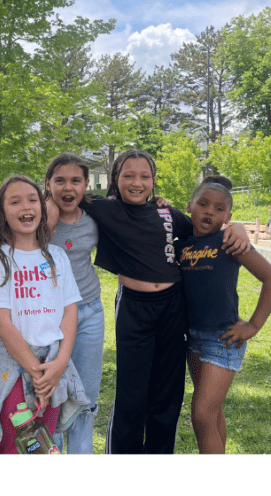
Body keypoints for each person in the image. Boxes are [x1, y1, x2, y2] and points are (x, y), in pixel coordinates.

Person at [78, 149, 250, 454]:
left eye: (145, 176)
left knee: (168, 393)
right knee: (132, 394)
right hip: (134, 308)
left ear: (154, 181)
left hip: (173, 308)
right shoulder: (105, 209)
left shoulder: (167, 213)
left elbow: (205, 228)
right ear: (116, 179)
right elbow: (64, 192)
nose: (137, 182)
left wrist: (235, 228)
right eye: (128, 175)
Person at [0, 174, 90, 454]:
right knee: (17, 439)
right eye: (15, 202)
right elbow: (2, 324)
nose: (25, 207)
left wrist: (59, 364)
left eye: (31, 200)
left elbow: (70, 311)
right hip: (15, 367)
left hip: (53, 365)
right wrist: (37, 374)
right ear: (2, 213)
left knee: (44, 443)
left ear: (42, 207)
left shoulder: (57, 256)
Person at [177, 179, 271, 453]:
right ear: (189, 207)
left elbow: (268, 276)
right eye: (203, 204)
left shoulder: (230, 240)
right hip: (192, 338)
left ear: (228, 217)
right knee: (212, 412)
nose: (209, 212)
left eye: (219, 209)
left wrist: (253, 325)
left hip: (223, 339)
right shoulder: (181, 243)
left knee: (201, 414)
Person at [43, 153, 104, 454]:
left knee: (86, 397)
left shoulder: (95, 221)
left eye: (76, 180)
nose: (68, 188)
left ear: (86, 185)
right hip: (48, 318)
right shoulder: (37, 219)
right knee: (51, 394)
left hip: (89, 312)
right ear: (48, 184)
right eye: (60, 180)